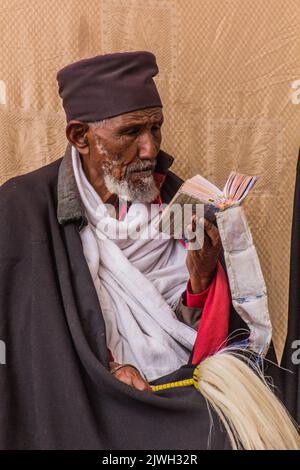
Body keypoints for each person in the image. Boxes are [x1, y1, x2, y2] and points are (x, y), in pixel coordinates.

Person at [0, 51, 298, 450]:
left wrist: (201, 278)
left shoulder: (177, 198)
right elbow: (29, 341)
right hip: (86, 396)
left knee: (235, 431)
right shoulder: (22, 210)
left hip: (181, 385)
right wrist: (106, 369)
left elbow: (218, 337)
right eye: (131, 132)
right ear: (80, 136)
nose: (149, 149)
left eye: (156, 128)